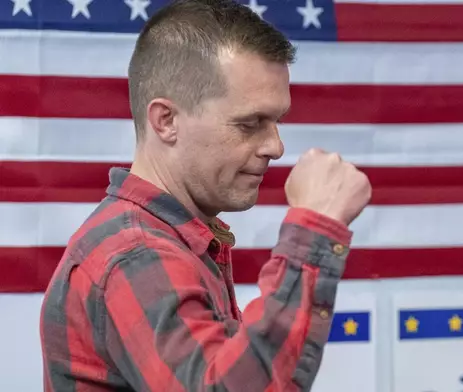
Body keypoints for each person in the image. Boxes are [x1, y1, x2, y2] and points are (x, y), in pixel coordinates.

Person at [38, 0, 371, 391]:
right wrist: (315, 229)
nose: (276, 147)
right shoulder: (136, 253)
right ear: (166, 121)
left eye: (276, 121)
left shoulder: (168, 239)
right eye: (250, 123)